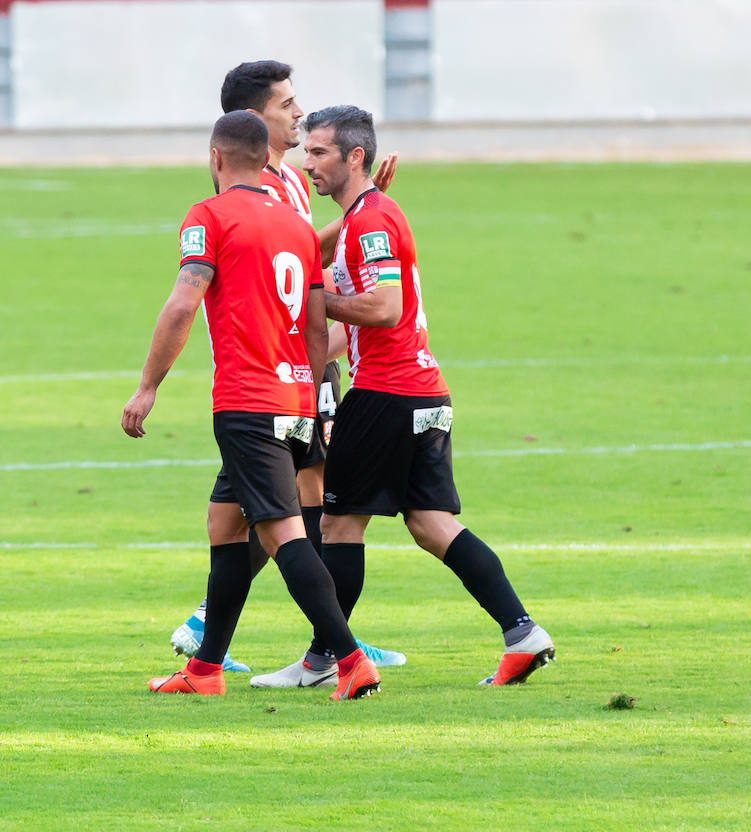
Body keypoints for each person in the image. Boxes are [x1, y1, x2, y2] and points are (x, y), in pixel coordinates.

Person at [252, 105, 554, 687]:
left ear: (354, 156)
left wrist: (313, 301)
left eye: (318, 153)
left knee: (339, 526)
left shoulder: (369, 223)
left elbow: (384, 309)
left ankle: (323, 660)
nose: (306, 164)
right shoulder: (372, 215)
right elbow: (362, 323)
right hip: (424, 393)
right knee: (431, 524)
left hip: (386, 395)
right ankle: (522, 632)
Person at [123, 110, 380, 699]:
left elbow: (185, 304)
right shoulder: (295, 222)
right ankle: (206, 670)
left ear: (216, 158)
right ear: (266, 159)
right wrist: (309, 394)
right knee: (224, 524)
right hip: (296, 398)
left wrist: (147, 386)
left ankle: (348, 658)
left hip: (247, 402)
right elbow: (317, 324)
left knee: (283, 533)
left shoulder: (207, 216)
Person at [166, 61, 406, 673]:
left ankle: (290, 643)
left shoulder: (293, 183)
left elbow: (301, 252)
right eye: (288, 105)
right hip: (280, 365)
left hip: (297, 364)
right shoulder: (257, 191)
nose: (299, 114)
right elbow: (279, 263)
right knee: (292, 505)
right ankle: (334, 643)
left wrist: (359, 206)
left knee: (279, 501)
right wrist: (360, 210)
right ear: (255, 118)